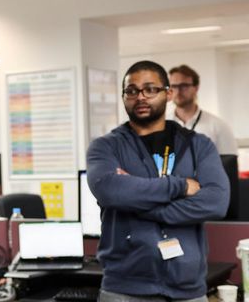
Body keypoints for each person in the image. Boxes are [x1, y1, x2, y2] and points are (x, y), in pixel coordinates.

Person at [87, 60, 228, 301]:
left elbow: (216, 202)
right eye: (132, 91)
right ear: (124, 97)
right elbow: (111, 192)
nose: (141, 97)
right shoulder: (106, 147)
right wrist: (180, 186)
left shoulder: (198, 145)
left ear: (168, 93)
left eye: (150, 89)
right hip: (125, 288)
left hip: (188, 289)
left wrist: (137, 204)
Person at [168, 64, 238, 155]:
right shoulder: (162, 124)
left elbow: (229, 166)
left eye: (184, 85)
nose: (178, 91)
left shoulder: (218, 126)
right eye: (173, 86)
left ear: (196, 88)